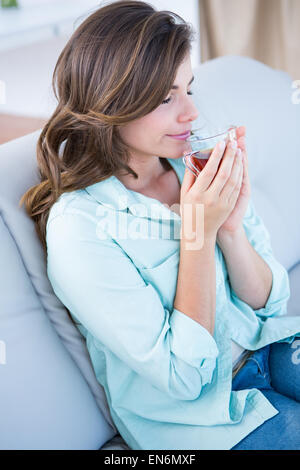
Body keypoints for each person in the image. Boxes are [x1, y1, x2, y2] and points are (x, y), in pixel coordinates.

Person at [19, 0, 300, 450]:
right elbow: (184, 377)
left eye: (190, 88)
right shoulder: (81, 228)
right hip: (195, 419)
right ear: (111, 101)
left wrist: (229, 230)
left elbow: (269, 304)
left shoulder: (191, 165)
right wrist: (198, 234)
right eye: (166, 97)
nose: (190, 112)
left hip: (261, 347)